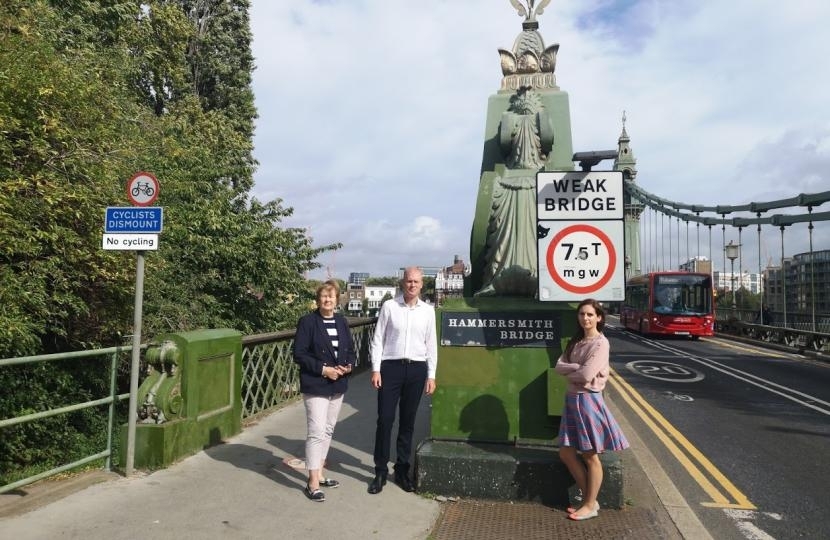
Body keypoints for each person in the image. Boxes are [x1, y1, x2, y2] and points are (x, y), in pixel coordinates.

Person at [554, 298, 629, 521]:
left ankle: (589, 504)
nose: (585, 318)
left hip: (588, 401)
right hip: (572, 399)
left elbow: (587, 377)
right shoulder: (575, 342)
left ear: (599, 317)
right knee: (566, 452)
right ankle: (590, 499)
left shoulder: (600, 343)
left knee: (590, 455)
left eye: (589, 314)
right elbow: (559, 366)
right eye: (581, 314)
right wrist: (577, 368)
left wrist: (575, 372)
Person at [368, 267, 438, 494]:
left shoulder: (428, 311)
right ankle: (380, 470)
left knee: (408, 422)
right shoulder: (389, 306)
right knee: (385, 420)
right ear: (402, 283)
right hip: (391, 368)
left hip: (416, 369)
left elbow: (431, 345)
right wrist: (376, 370)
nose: (412, 285)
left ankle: (401, 469)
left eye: (416, 281)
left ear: (422, 285)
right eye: (409, 281)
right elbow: (378, 339)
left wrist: (431, 375)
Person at [293, 280, 355, 502]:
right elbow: (299, 354)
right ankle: (311, 482)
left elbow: (350, 349)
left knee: (328, 430)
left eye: (331, 296)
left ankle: (319, 473)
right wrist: (324, 370)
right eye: (324, 296)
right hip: (316, 383)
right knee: (316, 431)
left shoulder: (341, 321)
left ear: (337, 299)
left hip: (337, 383)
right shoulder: (308, 322)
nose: (328, 300)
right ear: (318, 299)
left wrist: (348, 365)